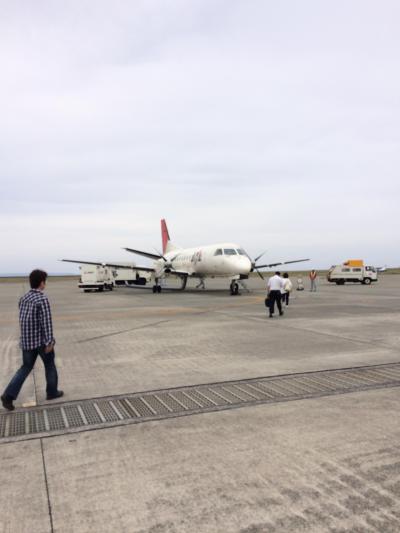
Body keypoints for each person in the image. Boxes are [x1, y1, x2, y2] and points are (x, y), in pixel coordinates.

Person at [1, 269, 63, 411]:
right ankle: (52, 392)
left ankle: (8, 396)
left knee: (25, 368)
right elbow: (46, 322)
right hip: (41, 341)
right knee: (50, 365)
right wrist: (49, 342)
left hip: (27, 341)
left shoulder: (23, 298)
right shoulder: (42, 299)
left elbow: (23, 320)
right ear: (42, 283)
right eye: (45, 281)